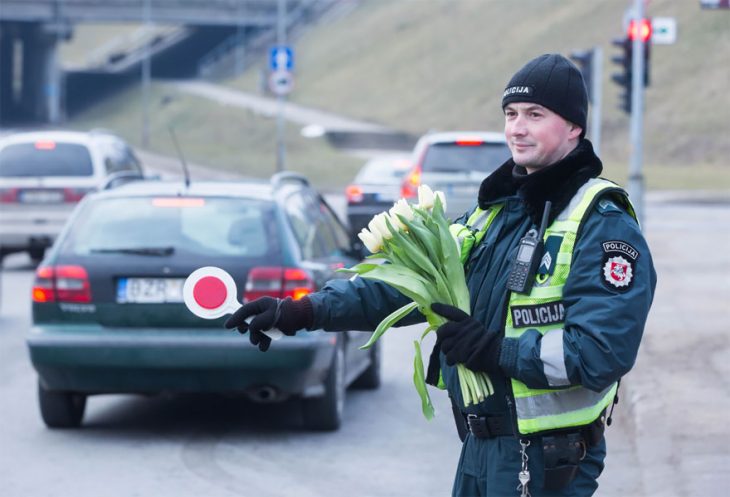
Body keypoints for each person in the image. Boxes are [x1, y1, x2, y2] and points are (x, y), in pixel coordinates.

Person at [225, 53, 657, 497]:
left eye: (535, 115)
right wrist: (303, 311)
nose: (517, 128)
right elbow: (405, 285)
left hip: (545, 462)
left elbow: (601, 352)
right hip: (481, 449)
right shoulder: (493, 214)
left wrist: (496, 351)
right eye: (510, 115)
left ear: (574, 127)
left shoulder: (601, 223)